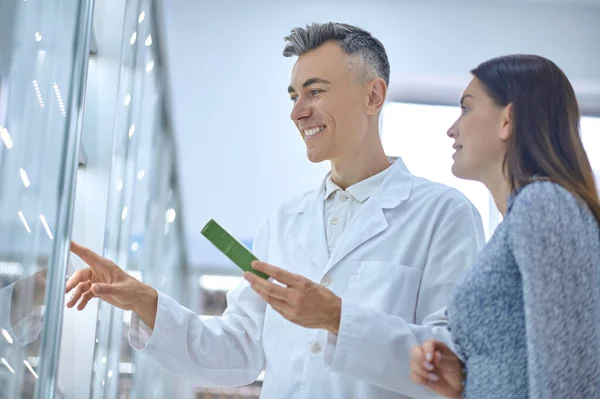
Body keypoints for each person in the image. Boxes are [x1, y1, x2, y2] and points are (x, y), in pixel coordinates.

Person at [67, 22, 485, 399]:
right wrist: (146, 300)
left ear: (373, 95)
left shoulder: (444, 215)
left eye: (315, 92)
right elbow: (240, 349)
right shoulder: (283, 223)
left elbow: (453, 361)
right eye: (294, 95)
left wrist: (337, 317)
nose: (297, 111)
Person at [409, 54, 600, 398]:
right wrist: (470, 381)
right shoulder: (519, 218)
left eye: (466, 108)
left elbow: (570, 377)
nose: (452, 128)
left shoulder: (543, 204)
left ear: (507, 120)